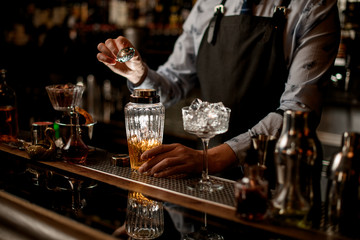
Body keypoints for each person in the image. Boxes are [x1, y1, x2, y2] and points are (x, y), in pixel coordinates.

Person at [97, 0, 340, 179]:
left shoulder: (313, 5)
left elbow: (298, 113)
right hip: (211, 172)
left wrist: (211, 158)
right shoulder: (207, 5)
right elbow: (173, 85)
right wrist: (141, 76)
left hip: (281, 175)